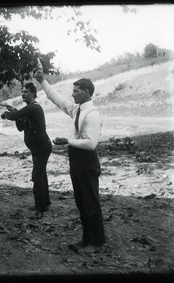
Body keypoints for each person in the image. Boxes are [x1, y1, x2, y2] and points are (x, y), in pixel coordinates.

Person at [34, 70, 106, 253]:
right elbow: (56, 99)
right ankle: (86, 238)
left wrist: (68, 141)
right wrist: (42, 81)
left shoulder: (92, 114)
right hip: (76, 160)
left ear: (87, 93)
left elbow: (91, 143)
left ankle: (97, 242)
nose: (72, 94)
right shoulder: (76, 109)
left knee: (91, 203)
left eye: (76, 91)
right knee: (81, 203)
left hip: (87, 161)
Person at [0, 82, 52, 219]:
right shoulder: (28, 109)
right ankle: (44, 203)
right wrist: (15, 113)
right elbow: (21, 127)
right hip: (37, 147)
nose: (23, 94)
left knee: (37, 176)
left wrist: (7, 114)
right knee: (41, 175)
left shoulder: (34, 108)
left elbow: (13, 117)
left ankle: (40, 209)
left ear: (33, 93)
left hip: (42, 148)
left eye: (26, 92)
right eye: (22, 91)